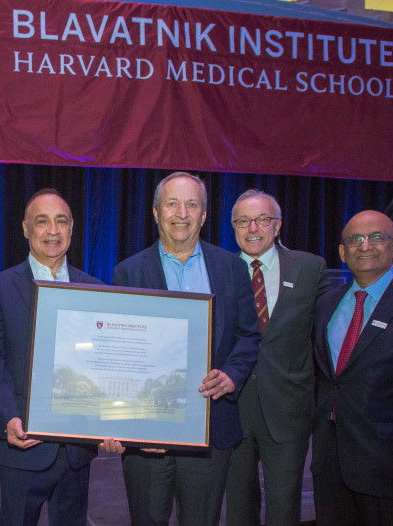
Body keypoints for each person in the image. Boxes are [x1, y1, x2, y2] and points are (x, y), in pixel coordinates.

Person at [112, 172, 260, 526]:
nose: (182, 212)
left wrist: (232, 375)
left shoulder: (232, 268)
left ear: (204, 215)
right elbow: (121, 353)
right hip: (147, 432)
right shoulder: (128, 273)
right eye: (172, 203)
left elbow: (248, 336)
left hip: (211, 426)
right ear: (155, 212)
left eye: (192, 204)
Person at [0, 188, 118, 526]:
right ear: (26, 229)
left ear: (72, 229)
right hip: (23, 443)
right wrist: (7, 418)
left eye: (61, 222)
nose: (53, 231)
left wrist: (115, 422)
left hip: (76, 451)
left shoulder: (97, 289)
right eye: (42, 222)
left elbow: (105, 364)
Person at [311, 210, 393, 526]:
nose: (365, 246)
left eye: (377, 237)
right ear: (343, 252)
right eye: (355, 239)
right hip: (331, 467)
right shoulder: (327, 303)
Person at [224, 189, 330, 526]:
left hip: (288, 411)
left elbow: (329, 329)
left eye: (262, 219)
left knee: (285, 512)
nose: (252, 227)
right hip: (232, 411)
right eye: (243, 221)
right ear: (233, 227)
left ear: (278, 224)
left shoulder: (311, 268)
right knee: (239, 511)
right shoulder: (219, 270)